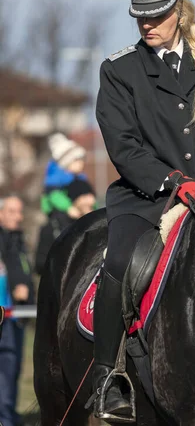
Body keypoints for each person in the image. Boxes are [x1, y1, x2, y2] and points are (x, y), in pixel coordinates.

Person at [94, 0, 195, 421]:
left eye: (157, 15)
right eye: (140, 17)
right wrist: (173, 180)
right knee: (120, 261)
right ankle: (108, 377)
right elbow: (123, 145)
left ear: (179, 13)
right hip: (146, 198)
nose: (147, 24)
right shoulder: (119, 69)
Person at [0, 195, 34, 426]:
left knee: (12, 371)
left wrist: (26, 294)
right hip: (4, 315)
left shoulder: (18, 239)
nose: (18, 217)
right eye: (12, 211)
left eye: (20, 211)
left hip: (17, 317)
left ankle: (8, 415)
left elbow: (26, 275)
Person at [35, 179, 96, 276]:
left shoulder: (96, 224)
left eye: (91, 196)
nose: (91, 200)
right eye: (85, 196)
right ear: (74, 199)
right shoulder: (54, 226)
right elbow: (40, 263)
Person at [40, 132, 89, 219]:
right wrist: (68, 208)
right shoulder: (56, 178)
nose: (81, 163)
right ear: (67, 162)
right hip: (60, 215)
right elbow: (54, 195)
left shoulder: (79, 178)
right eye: (77, 160)